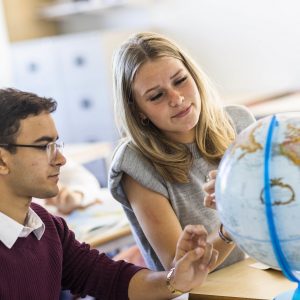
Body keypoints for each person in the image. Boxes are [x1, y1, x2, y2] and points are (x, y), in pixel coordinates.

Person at [0, 88, 218, 300]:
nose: (60, 159)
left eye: (56, 144)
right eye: (44, 146)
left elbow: (111, 279)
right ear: (2, 161)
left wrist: (175, 280)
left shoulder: (46, 226)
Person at [109, 32, 256, 272]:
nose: (176, 99)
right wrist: (233, 219)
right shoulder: (134, 164)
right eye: (156, 96)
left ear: (194, 76)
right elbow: (182, 270)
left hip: (257, 277)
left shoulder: (239, 122)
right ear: (138, 112)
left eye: (180, 80)